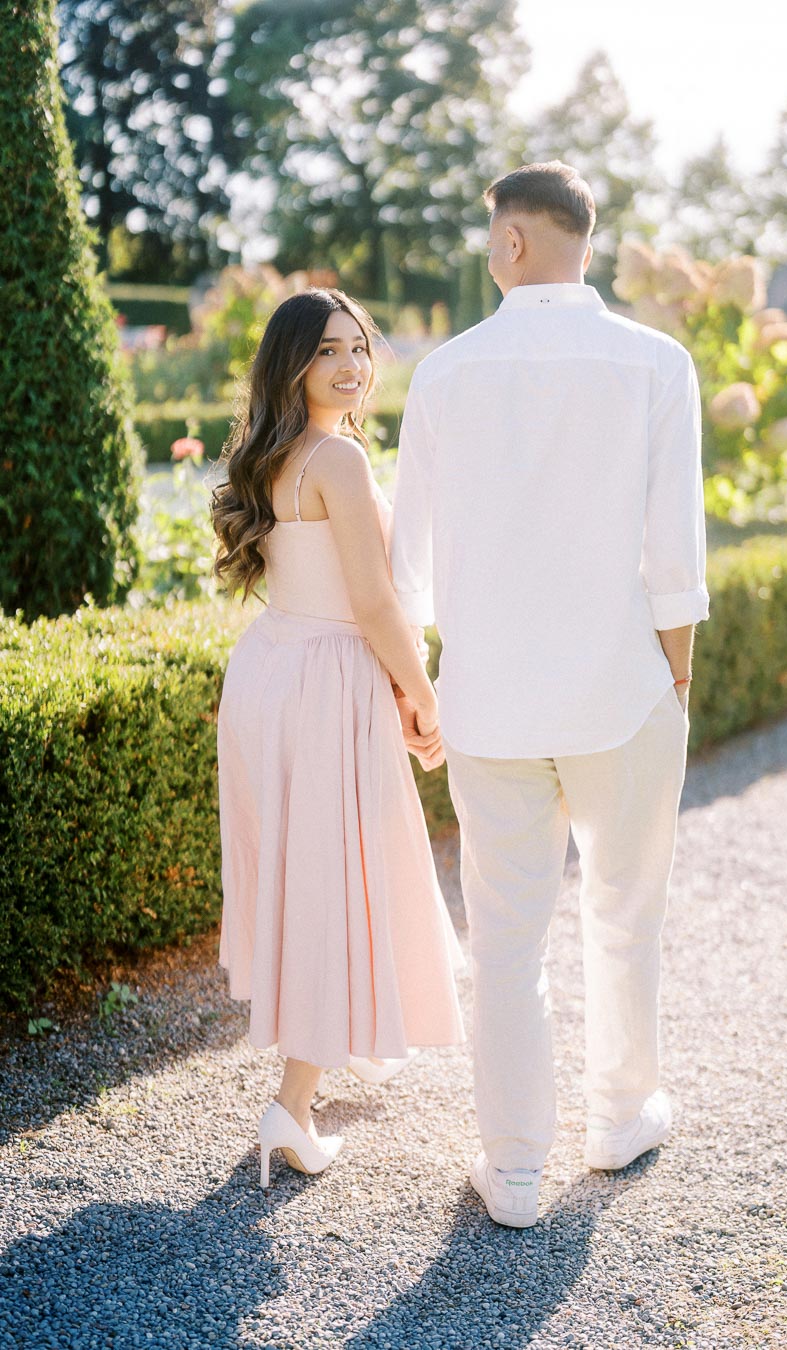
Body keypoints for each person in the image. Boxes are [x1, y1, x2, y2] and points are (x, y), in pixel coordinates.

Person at [391, 162, 709, 1228]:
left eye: (492, 236)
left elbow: (410, 568)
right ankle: (622, 1117)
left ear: (516, 242)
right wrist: (679, 680)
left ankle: (516, 1168)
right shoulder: (656, 362)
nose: (489, 252)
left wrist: (419, 686)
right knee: (628, 914)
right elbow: (677, 552)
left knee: (508, 936)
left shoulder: (445, 372)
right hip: (621, 689)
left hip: (489, 701)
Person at [211, 289, 464, 1189]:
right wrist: (423, 692)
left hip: (272, 669)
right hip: (325, 679)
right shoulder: (340, 460)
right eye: (328, 352)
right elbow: (373, 603)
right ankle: (292, 1106)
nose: (352, 366)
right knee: (336, 877)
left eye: (360, 348)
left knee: (306, 871)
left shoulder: (269, 452)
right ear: (293, 365)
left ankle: (333, 1043)